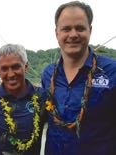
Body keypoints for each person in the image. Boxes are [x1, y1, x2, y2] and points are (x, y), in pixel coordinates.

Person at [41, 1, 116, 155]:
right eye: (66, 29)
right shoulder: (48, 74)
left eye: (80, 28)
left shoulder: (112, 71)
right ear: (57, 33)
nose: (73, 34)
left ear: (90, 30)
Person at [0, 44, 47, 155]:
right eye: (4, 68)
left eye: (16, 67)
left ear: (26, 67)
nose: (10, 74)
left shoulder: (42, 97)